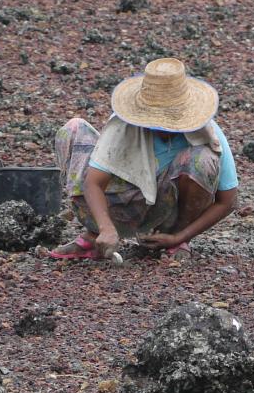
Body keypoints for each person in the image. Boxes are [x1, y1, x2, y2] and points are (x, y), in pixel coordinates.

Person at [49, 57, 239, 261]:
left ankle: (173, 240)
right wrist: (106, 228)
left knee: (202, 159)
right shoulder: (123, 127)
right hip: (121, 205)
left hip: (167, 213)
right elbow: (93, 183)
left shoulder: (209, 135)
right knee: (74, 128)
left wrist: (180, 236)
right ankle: (96, 235)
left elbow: (227, 201)